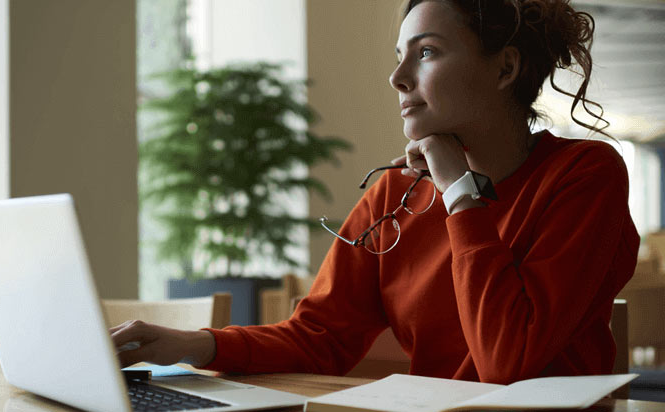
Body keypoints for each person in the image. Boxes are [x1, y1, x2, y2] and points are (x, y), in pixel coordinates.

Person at [110, 0, 640, 384]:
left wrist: (458, 188)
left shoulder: (585, 174)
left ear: (505, 67)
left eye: (426, 53)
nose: (398, 78)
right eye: (399, 55)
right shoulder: (394, 192)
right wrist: (194, 345)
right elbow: (319, 337)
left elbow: (507, 360)